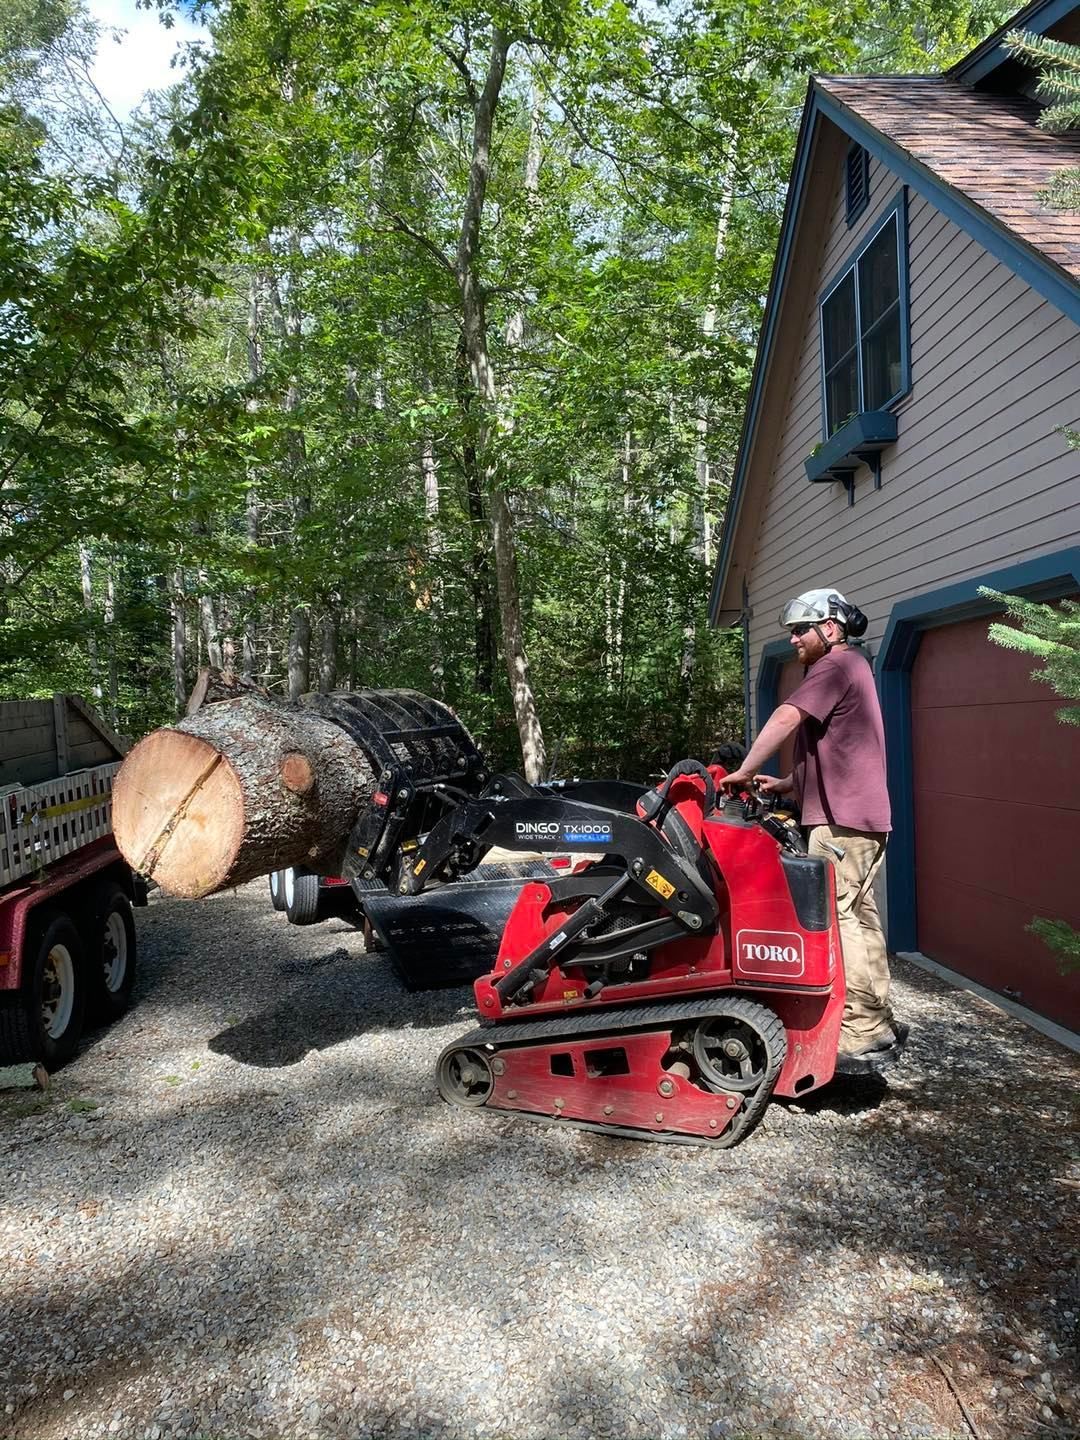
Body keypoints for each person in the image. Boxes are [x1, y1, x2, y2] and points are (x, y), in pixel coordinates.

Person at [720, 587, 902, 1066]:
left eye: (802, 629)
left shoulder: (835, 665)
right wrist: (786, 783)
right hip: (857, 817)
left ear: (830, 628)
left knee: (841, 917)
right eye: (792, 631)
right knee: (861, 916)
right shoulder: (853, 667)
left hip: (840, 823)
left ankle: (860, 1029)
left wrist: (742, 770)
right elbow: (837, 753)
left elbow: (786, 716)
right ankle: (876, 1018)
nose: (794, 638)